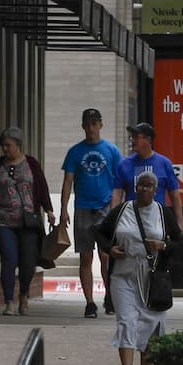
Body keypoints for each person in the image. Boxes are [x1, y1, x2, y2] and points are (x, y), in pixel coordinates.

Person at [97, 168, 169, 365]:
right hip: (123, 275)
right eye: (140, 185)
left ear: (156, 191)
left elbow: (180, 243)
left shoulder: (162, 213)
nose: (143, 189)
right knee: (126, 321)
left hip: (151, 277)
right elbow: (99, 233)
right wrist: (110, 248)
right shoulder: (122, 210)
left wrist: (162, 246)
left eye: (148, 186)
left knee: (150, 324)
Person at [0, 125, 55, 316]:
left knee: (28, 262)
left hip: (28, 221)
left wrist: (49, 210)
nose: (5, 149)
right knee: (9, 259)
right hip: (2, 221)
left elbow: (42, 187)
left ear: (18, 145)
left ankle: (24, 296)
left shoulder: (32, 164)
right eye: (3, 145)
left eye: (9, 145)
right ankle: (9, 301)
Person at [60, 107, 125, 319]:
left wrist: (119, 208)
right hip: (83, 207)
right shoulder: (75, 152)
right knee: (86, 257)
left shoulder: (112, 151)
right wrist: (63, 210)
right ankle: (89, 302)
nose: (91, 128)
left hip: (106, 208)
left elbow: (119, 181)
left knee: (106, 255)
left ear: (100, 125)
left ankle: (109, 295)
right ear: (83, 126)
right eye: (87, 124)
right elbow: (68, 181)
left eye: (94, 123)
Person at [117, 122, 183, 236]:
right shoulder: (124, 164)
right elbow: (116, 194)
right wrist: (114, 220)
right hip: (130, 220)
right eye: (132, 137)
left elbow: (175, 195)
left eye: (136, 137)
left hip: (157, 221)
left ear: (148, 139)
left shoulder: (164, 163)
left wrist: (180, 222)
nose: (132, 140)